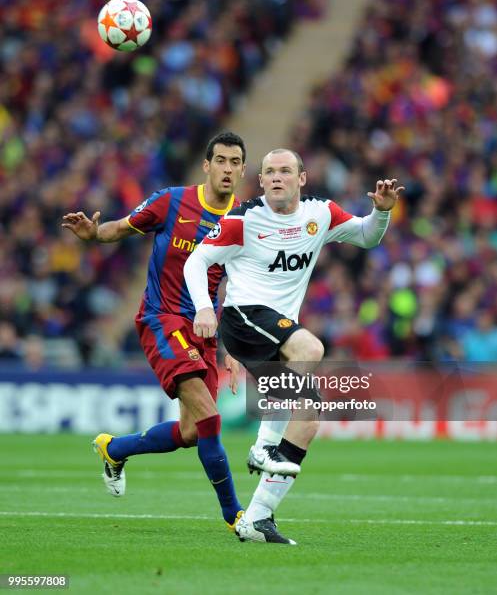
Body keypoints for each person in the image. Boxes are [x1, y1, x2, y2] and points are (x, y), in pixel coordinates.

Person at [184, 148, 404, 544]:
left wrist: (382, 212)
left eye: (286, 171)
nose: (277, 178)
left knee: (308, 420)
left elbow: (367, 236)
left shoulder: (320, 214)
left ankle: (257, 518)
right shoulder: (243, 220)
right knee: (310, 349)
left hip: (278, 329)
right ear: (262, 180)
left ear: (302, 179)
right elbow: (195, 262)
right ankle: (264, 445)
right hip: (243, 318)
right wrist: (204, 309)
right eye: (270, 172)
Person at [61, 131, 247, 532]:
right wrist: (94, 234)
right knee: (211, 418)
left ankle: (114, 449)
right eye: (221, 161)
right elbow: (122, 228)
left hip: (205, 330)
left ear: (243, 169)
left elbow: (238, 289)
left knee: (192, 431)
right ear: (207, 165)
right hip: (162, 319)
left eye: (235, 162)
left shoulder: (242, 222)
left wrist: (229, 348)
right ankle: (236, 516)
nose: (228, 169)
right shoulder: (172, 201)